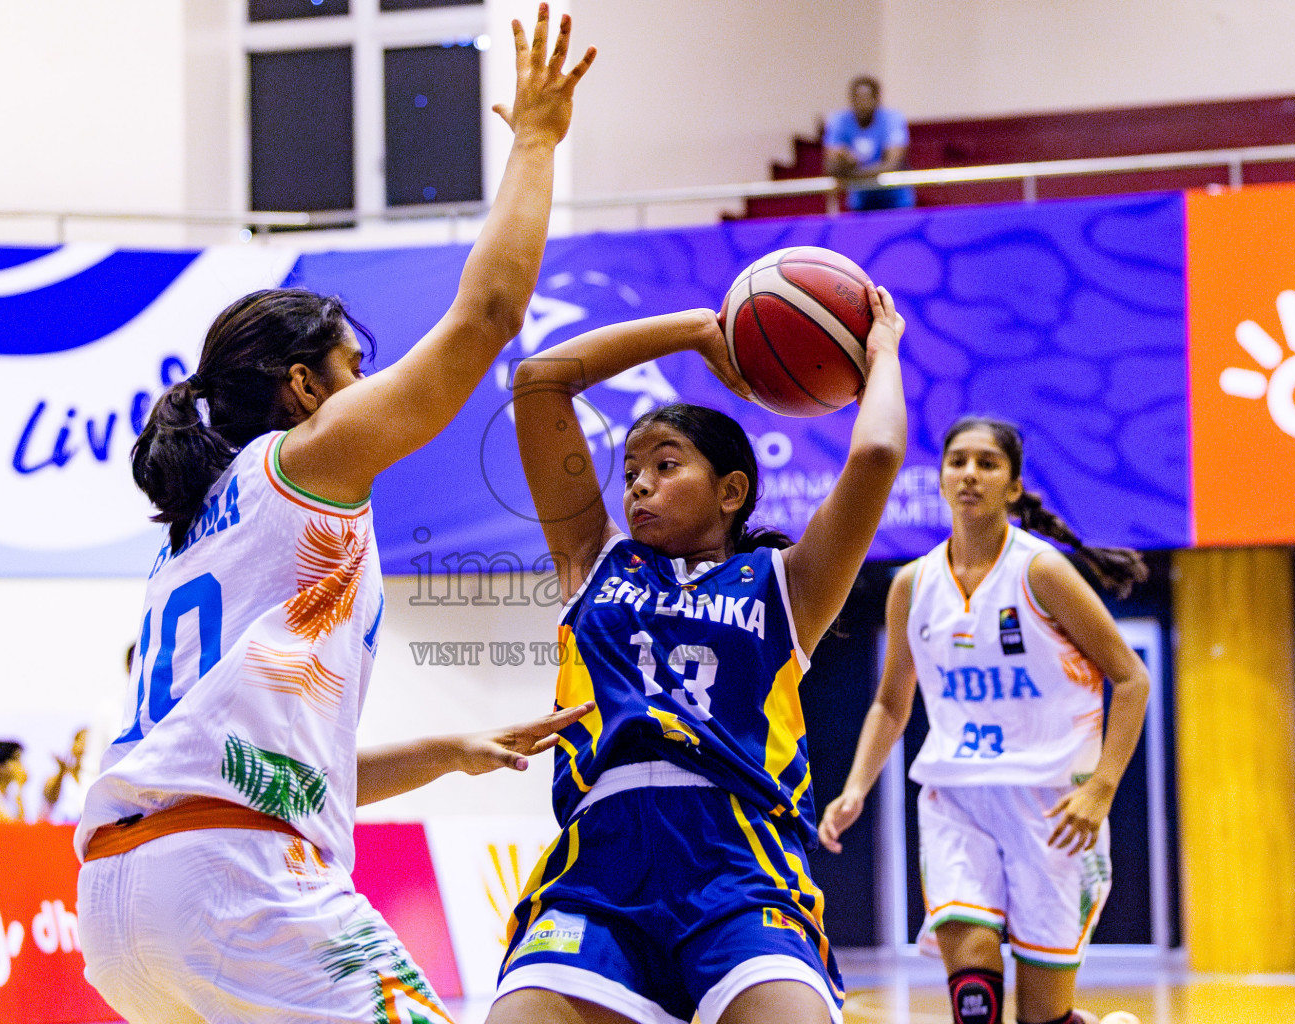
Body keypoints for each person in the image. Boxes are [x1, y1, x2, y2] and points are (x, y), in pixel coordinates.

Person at [72, 8, 595, 1023]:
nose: (369, 386)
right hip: (238, 884)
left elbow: (265, 765)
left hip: (124, 900)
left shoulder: (191, 540)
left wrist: (448, 749)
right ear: (304, 386)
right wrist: (533, 139)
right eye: (355, 368)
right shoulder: (301, 464)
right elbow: (484, 320)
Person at [488, 285, 907, 1024]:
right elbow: (540, 382)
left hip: (739, 863)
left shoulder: (786, 585)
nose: (640, 484)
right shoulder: (595, 560)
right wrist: (694, 330)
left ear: (731, 491)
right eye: (631, 473)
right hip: (599, 862)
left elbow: (875, 453)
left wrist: (880, 355)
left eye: (667, 464)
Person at [818, 416, 1151, 1024]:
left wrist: (1101, 788)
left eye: (987, 464)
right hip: (957, 800)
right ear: (941, 479)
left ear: (1014, 486)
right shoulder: (911, 584)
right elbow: (892, 702)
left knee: (1041, 1017)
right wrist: (856, 788)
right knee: (975, 995)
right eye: (958, 461)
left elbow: (1131, 678)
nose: (970, 474)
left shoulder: (1041, 572)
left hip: (1054, 807)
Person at [823, 75, 915, 211]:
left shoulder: (892, 119)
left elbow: (892, 165)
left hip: (896, 202)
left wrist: (851, 174)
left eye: (866, 98)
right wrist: (845, 162)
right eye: (857, 98)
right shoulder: (839, 121)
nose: (861, 104)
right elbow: (831, 166)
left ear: (877, 99)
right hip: (860, 203)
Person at [42, 729, 89, 824]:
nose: (84, 747)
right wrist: (61, 772)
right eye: (82, 741)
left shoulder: (98, 779)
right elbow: (50, 798)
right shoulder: (59, 777)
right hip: (60, 830)